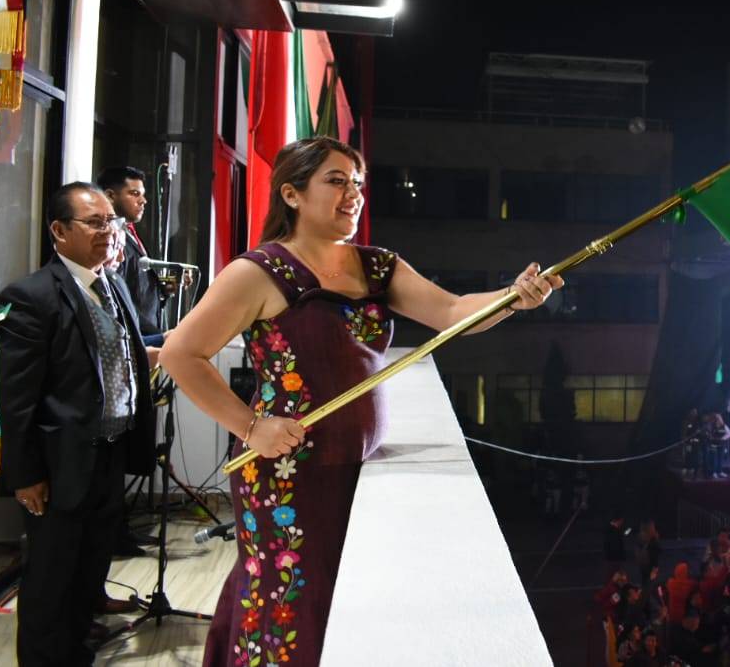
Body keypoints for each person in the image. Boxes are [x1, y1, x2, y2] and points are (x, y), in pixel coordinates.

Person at [159, 138, 563, 666]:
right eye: (335, 181)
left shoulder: (376, 268)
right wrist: (252, 425)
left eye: (358, 184)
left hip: (358, 468)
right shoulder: (257, 273)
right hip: (288, 471)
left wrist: (514, 297)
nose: (353, 194)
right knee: (289, 600)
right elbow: (180, 354)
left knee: (335, 602)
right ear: (292, 193)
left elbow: (453, 312)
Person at [0, 182, 158, 665]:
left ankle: (77, 652)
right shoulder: (32, 296)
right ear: (58, 231)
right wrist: (23, 474)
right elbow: (15, 397)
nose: (108, 232)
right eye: (95, 222)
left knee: (90, 570)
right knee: (50, 579)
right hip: (57, 463)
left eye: (113, 221)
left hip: (108, 453)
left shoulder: (114, 284)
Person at [97, 166, 168, 346]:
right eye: (134, 193)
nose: (143, 201)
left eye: (142, 194)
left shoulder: (128, 234)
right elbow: (120, 297)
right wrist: (160, 337)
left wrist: (163, 288)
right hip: (132, 338)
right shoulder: (108, 241)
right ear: (110, 196)